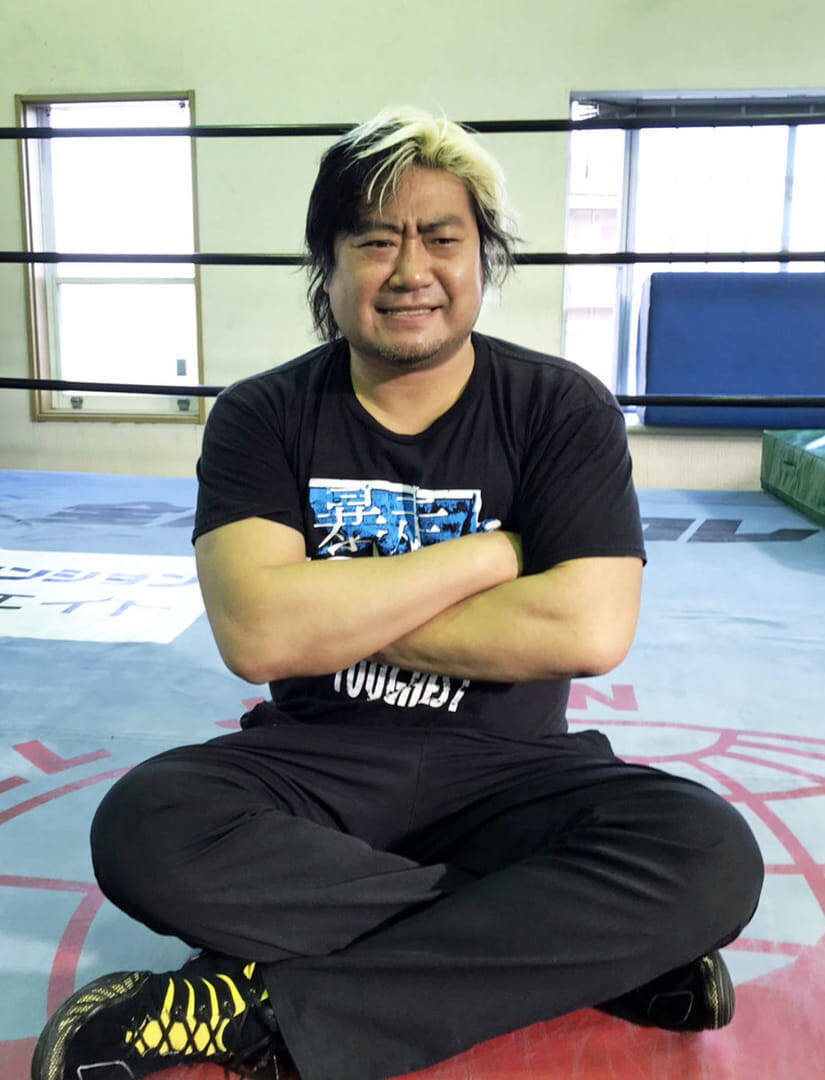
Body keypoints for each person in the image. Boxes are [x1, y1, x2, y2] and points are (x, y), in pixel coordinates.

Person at [31, 105, 765, 1080]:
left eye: (441, 239)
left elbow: (588, 627)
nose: (410, 269)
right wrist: (490, 556)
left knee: (707, 854)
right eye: (375, 241)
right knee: (145, 827)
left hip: (513, 770)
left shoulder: (559, 408)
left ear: (482, 259)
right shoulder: (262, 416)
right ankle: (568, 945)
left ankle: (266, 1013)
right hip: (314, 767)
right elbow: (259, 634)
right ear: (327, 266)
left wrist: (331, 607)